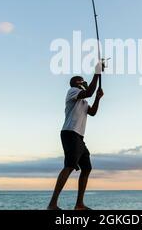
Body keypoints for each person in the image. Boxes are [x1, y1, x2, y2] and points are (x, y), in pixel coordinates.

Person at [47, 62, 104, 210]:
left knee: (87, 168)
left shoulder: (83, 101)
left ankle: (79, 204)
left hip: (79, 137)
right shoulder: (72, 91)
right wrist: (97, 73)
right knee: (70, 166)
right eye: (82, 81)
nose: (84, 82)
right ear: (76, 83)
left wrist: (98, 98)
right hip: (70, 133)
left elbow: (92, 113)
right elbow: (89, 91)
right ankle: (52, 204)